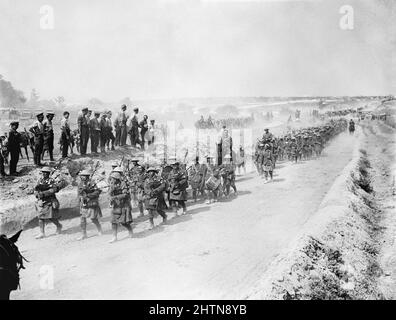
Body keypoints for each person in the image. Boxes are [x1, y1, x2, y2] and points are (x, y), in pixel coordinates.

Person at [34, 167, 63, 239]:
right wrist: (37, 194)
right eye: (43, 172)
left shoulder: (52, 181)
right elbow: (35, 188)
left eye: (45, 172)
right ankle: (42, 233)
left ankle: (59, 226)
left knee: (51, 217)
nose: (44, 174)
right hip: (41, 201)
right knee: (40, 217)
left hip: (49, 201)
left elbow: (54, 190)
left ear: (48, 173)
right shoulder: (40, 180)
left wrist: (44, 193)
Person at [108, 167, 133, 243]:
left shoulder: (123, 184)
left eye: (113, 178)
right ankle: (114, 237)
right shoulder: (112, 185)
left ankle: (130, 230)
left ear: (117, 179)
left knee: (123, 222)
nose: (112, 180)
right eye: (111, 178)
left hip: (123, 205)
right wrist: (110, 197)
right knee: (113, 221)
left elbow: (125, 194)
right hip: (116, 205)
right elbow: (109, 194)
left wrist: (115, 197)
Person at [77, 170, 103, 240]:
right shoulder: (80, 184)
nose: (81, 177)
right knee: (82, 219)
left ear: (87, 176)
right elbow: (79, 193)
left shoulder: (92, 183)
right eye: (81, 176)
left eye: (83, 176)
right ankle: (84, 234)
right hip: (84, 203)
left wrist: (88, 195)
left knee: (93, 219)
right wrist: (80, 198)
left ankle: (99, 229)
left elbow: (97, 192)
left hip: (91, 203)